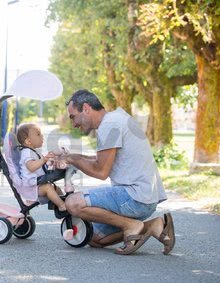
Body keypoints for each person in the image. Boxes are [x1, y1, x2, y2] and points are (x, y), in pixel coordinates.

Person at [55, 89, 175, 255]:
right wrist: (71, 157)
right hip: (143, 198)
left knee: (73, 203)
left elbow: (101, 171)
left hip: (135, 197)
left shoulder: (109, 126)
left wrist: (72, 160)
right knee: (93, 238)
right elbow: (102, 160)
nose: (73, 123)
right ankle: (153, 226)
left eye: (73, 116)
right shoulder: (115, 119)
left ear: (86, 108)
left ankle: (130, 225)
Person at [16, 123, 69, 217]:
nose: (42, 136)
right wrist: (44, 159)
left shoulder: (33, 152)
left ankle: (61, 202)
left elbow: (41, 166)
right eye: (38, 134)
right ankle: (61, 206)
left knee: (56, 189)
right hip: (31, 187)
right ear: (28, 141)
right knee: (48, 187)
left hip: (37, 183)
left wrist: (50, 161)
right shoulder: (26, 153)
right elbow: (31, 166)